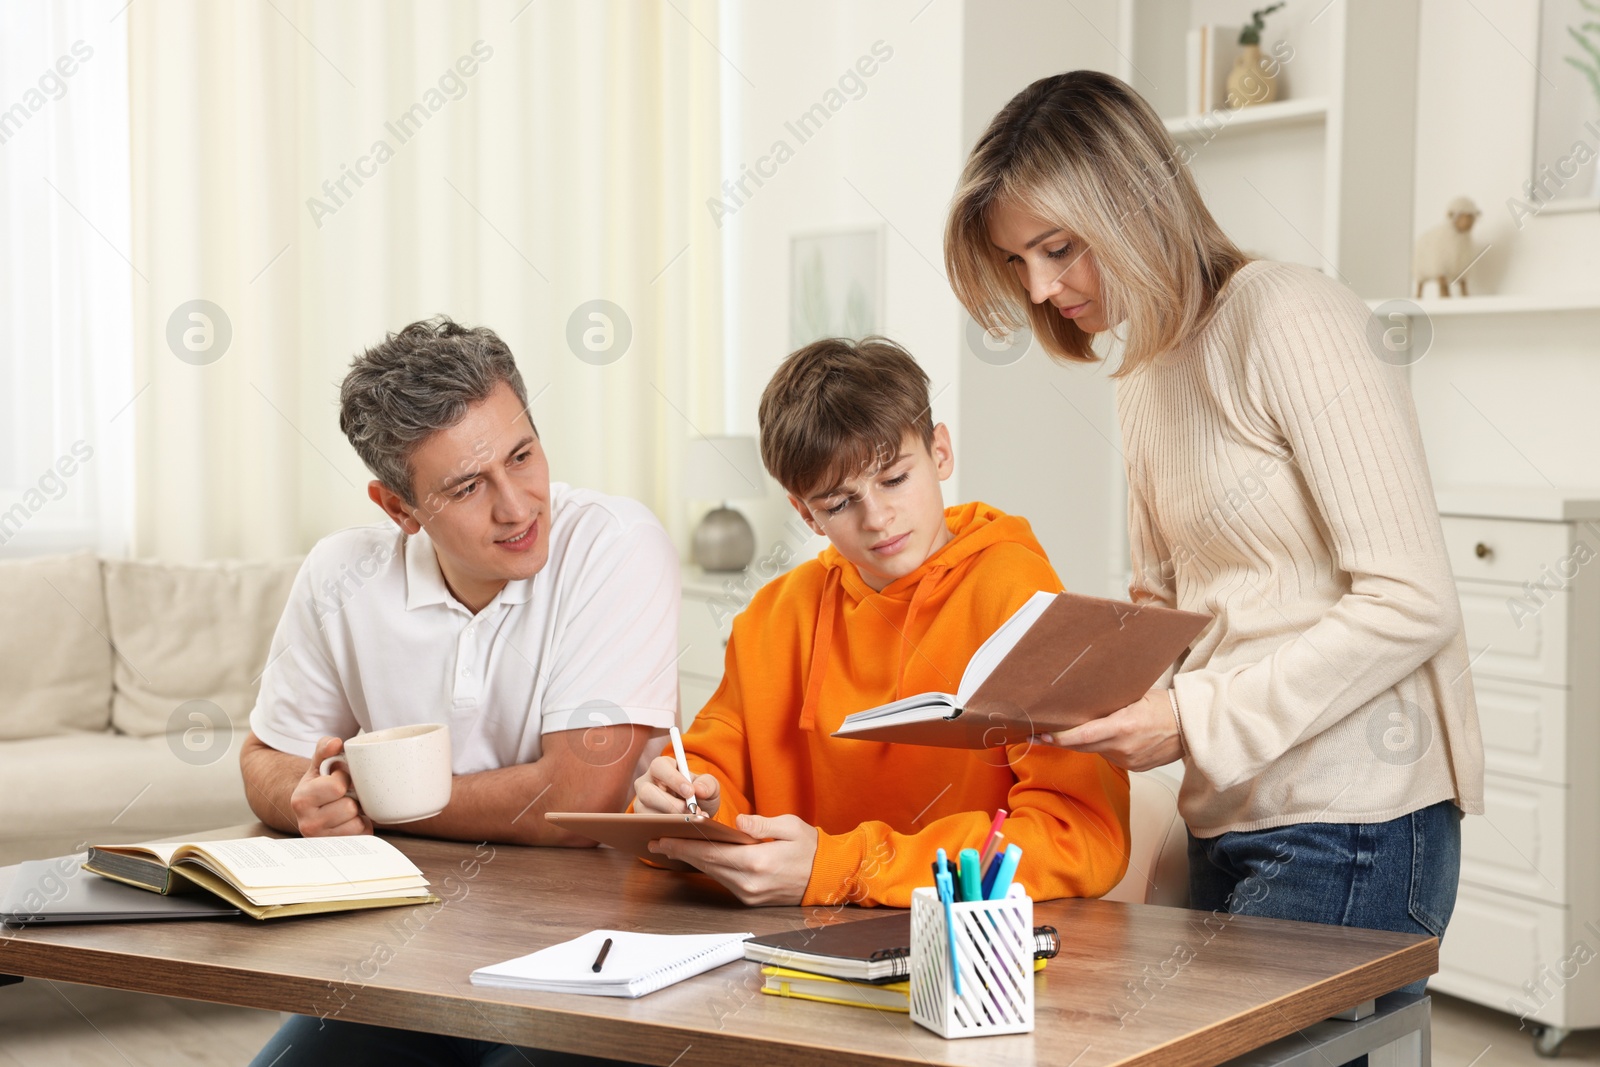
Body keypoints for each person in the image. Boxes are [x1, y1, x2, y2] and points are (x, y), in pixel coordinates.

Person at [944, 70, 1484, 986]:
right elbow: (1171, 604)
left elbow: (1412, 598)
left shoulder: (1290, 314)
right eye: (1016, 263)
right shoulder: (1144, 373)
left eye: (1059, 248)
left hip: (1352, 819)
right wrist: (1057, 690)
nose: (1039, 288)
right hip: (1230, 809)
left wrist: (1186, 716)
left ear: (1133, 203)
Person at [241, 316, 674, 1066]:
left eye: (523, 455)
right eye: (469, 487)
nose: (517, 506)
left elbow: (576, 802)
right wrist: (308, 799)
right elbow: (265, 759)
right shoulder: (340, 573)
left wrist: (378, 799)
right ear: (399, 508)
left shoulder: (613, 542)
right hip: (401, 957)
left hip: (592, 961)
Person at [635, 336, 1130, 907]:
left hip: (981, 959)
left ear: (940, 452)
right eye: (839, 503)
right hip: (800, 950)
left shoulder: (1017, 594)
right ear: (806, 513)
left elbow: (1082, 836)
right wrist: (677, 805)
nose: (877, 518)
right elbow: (713, 776)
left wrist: (847, 867)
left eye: (894, 479)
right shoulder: (774, 616)